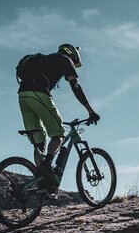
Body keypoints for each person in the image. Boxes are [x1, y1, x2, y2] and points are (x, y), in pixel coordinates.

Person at [17, 43, 100, 189]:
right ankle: (47, 167)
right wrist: (90, 111)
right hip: (38, 94)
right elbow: (76, 86)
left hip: (23, 96)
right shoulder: (64, 60)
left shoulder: (46, 60)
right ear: (72, 55)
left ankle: (42, 180)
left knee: (39, 140)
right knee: (59, 133)